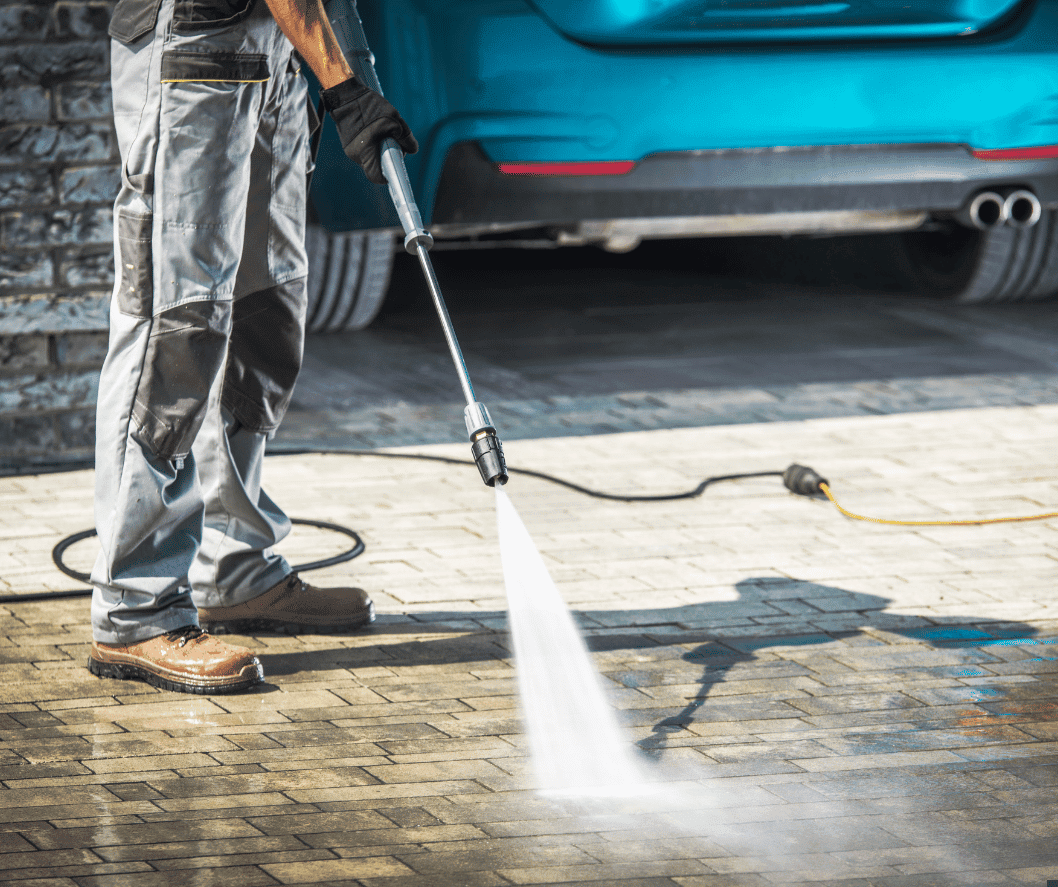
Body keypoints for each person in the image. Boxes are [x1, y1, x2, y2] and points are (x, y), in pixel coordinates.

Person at [89, 0, 417, 694]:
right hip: (191, 49)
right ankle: (136, 604)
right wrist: (344, 83)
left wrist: (338, 67)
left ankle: (235, 566)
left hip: (273, 57)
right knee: (176, 327)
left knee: (263, 317)